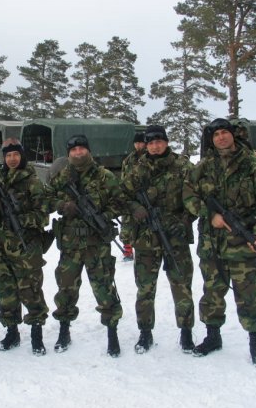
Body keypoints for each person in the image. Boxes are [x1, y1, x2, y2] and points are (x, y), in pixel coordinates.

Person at [183, 118, 256, 365]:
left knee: (249, 294)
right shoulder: (203, 166)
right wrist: (210, 215)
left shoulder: (252, 164)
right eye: (216, 134)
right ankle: (213, 337)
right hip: (213, 244)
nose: (221, 137)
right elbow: (188, 195)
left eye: (225, 133)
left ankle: (255, 340)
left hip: (244, 241)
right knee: (212, 292)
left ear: (233, 135)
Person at [122, 125, 196, 354]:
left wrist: (184, 220)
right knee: (145, 289)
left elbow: (198, 197)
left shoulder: (183, 166)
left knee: (182, 286)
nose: (155, 146)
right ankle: (145, 333)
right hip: (146, 239)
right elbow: (122, 196)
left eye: (159, 141)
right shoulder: (136, 168)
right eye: (151, 142)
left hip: (175, 238)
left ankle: (186, 333)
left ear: (166, 142)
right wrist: (135, 208)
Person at [49, 134, 124, 357]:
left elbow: (119, 202)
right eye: (73, 150)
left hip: (96, 244)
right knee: (66, 288)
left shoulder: (105, 176)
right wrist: (62, 205)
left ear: (88, 151)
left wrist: (102, 216)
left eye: (82, 149)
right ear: (69, 153)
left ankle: (112, 333)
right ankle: (64, 330)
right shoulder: (61, 176)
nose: (78, 153)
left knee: (104, 287)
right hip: (70, 244)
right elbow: (45, 199)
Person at [0, 139, 50, 355]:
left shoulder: (32, 182)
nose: (12, 159)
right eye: (8, 156)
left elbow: (43, 215)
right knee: (6, 291)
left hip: (27, 247)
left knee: (31, 290)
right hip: (2, 245)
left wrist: (22, 219)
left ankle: (36, 334)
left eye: (15, 155)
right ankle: (11, 332)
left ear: (21, 156)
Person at [119, 132, 147, 262]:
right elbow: (123, 178)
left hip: (145, 197)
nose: (138, 145)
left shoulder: (149, 157)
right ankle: (128, 250)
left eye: (141, 142)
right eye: (136, 143)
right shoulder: (128, 160)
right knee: (126, 224)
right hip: (130, 196)